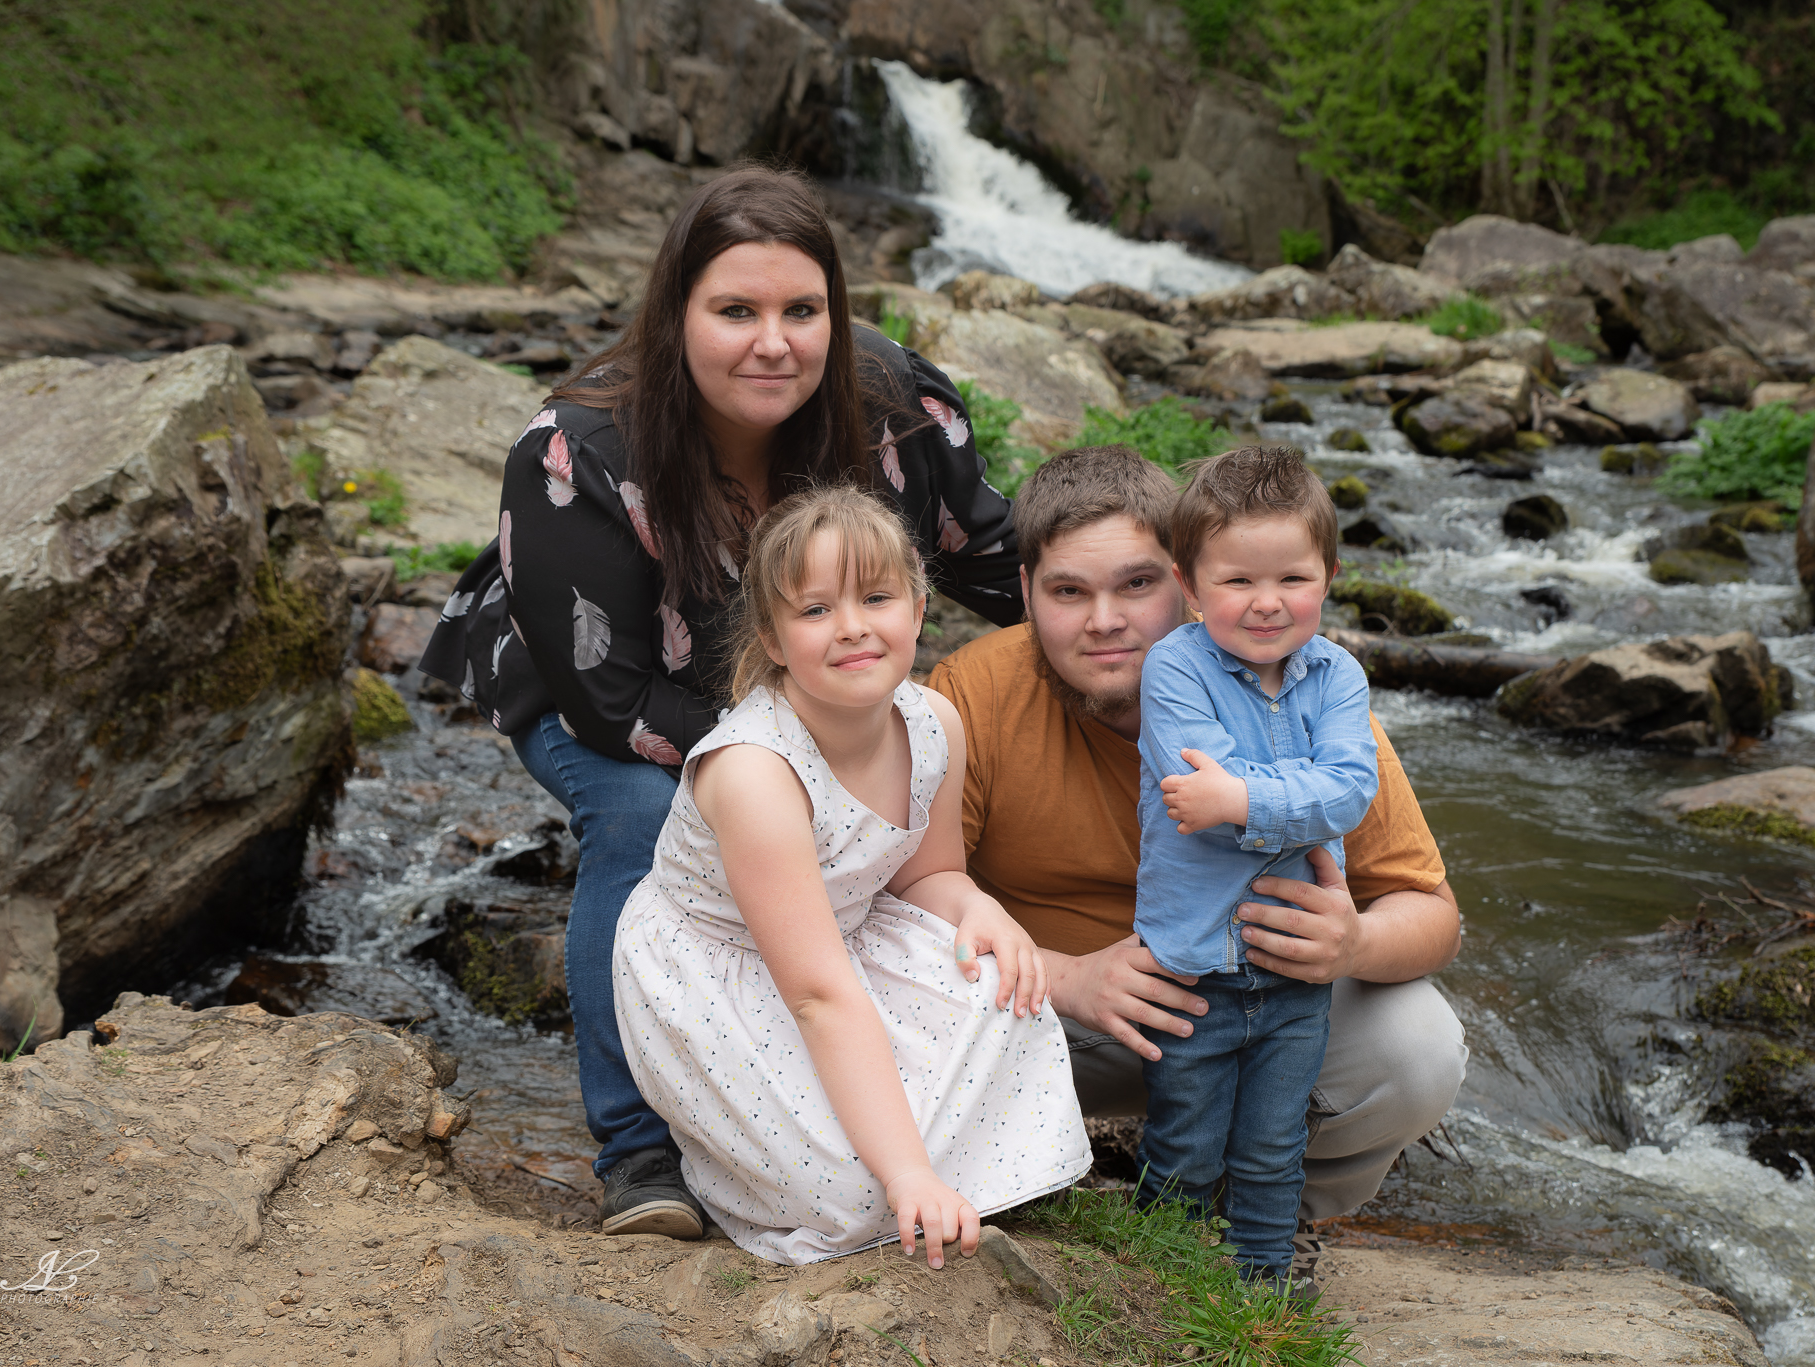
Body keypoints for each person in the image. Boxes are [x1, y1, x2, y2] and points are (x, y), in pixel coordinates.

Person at [418, 165, 1027, 1237]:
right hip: (596, 694)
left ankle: (857, 1077)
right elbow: (611, 701)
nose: (773, 342)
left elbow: (988, 550)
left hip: (803, 691)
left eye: (802, 311)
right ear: (675, 313)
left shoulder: (891, 410)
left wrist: (1156, 604)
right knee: (646, 818)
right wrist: (805, 764)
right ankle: (638, 1150)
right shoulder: (577, 454)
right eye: (734, 311)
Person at [926, 444, 1467, 1239]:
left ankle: (1263, 1221)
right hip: (1060, 1023)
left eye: (1136, 584)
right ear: (1026, 592)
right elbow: (910, 894)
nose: (1105, 621)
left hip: (1266, 1003)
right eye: (1069, 591)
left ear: (1184, 582)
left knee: (1418, 1044)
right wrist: (1068, 978)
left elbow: (1435, 914)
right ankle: (1029, 1186)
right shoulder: (973, 693)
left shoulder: (1307, 697)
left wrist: (1353, 942)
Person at [611, 486, 1090, 1265]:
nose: (854, 628)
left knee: (1003, 995)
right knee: (860, 1194)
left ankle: (936, 1159)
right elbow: (817, 995)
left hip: (848, 933)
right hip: (725, 971)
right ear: (770, 635)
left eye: (876, 596)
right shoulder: (755, 774)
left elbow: (927, 874)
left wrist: (978, 906)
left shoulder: (934, 722)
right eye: (815, 611)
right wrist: (905, 1177)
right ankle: (739, 1159)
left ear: (919, 605)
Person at [1132, 447, 1376, 1290]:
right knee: (1185, 1140)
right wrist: (1278, 802)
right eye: (1236, 581)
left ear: (1330, 574)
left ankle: (1262, 1295)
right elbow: (1193, 787)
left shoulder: (1339, 676)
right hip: (1192, 962)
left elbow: (1350, 793)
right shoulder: (1173, 666)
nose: (1266, 603)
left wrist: (1239, 797)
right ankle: (1162, 1287)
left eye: (1292, 578)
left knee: (1274, 1147)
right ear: (1189, 586)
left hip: (1293, 972)